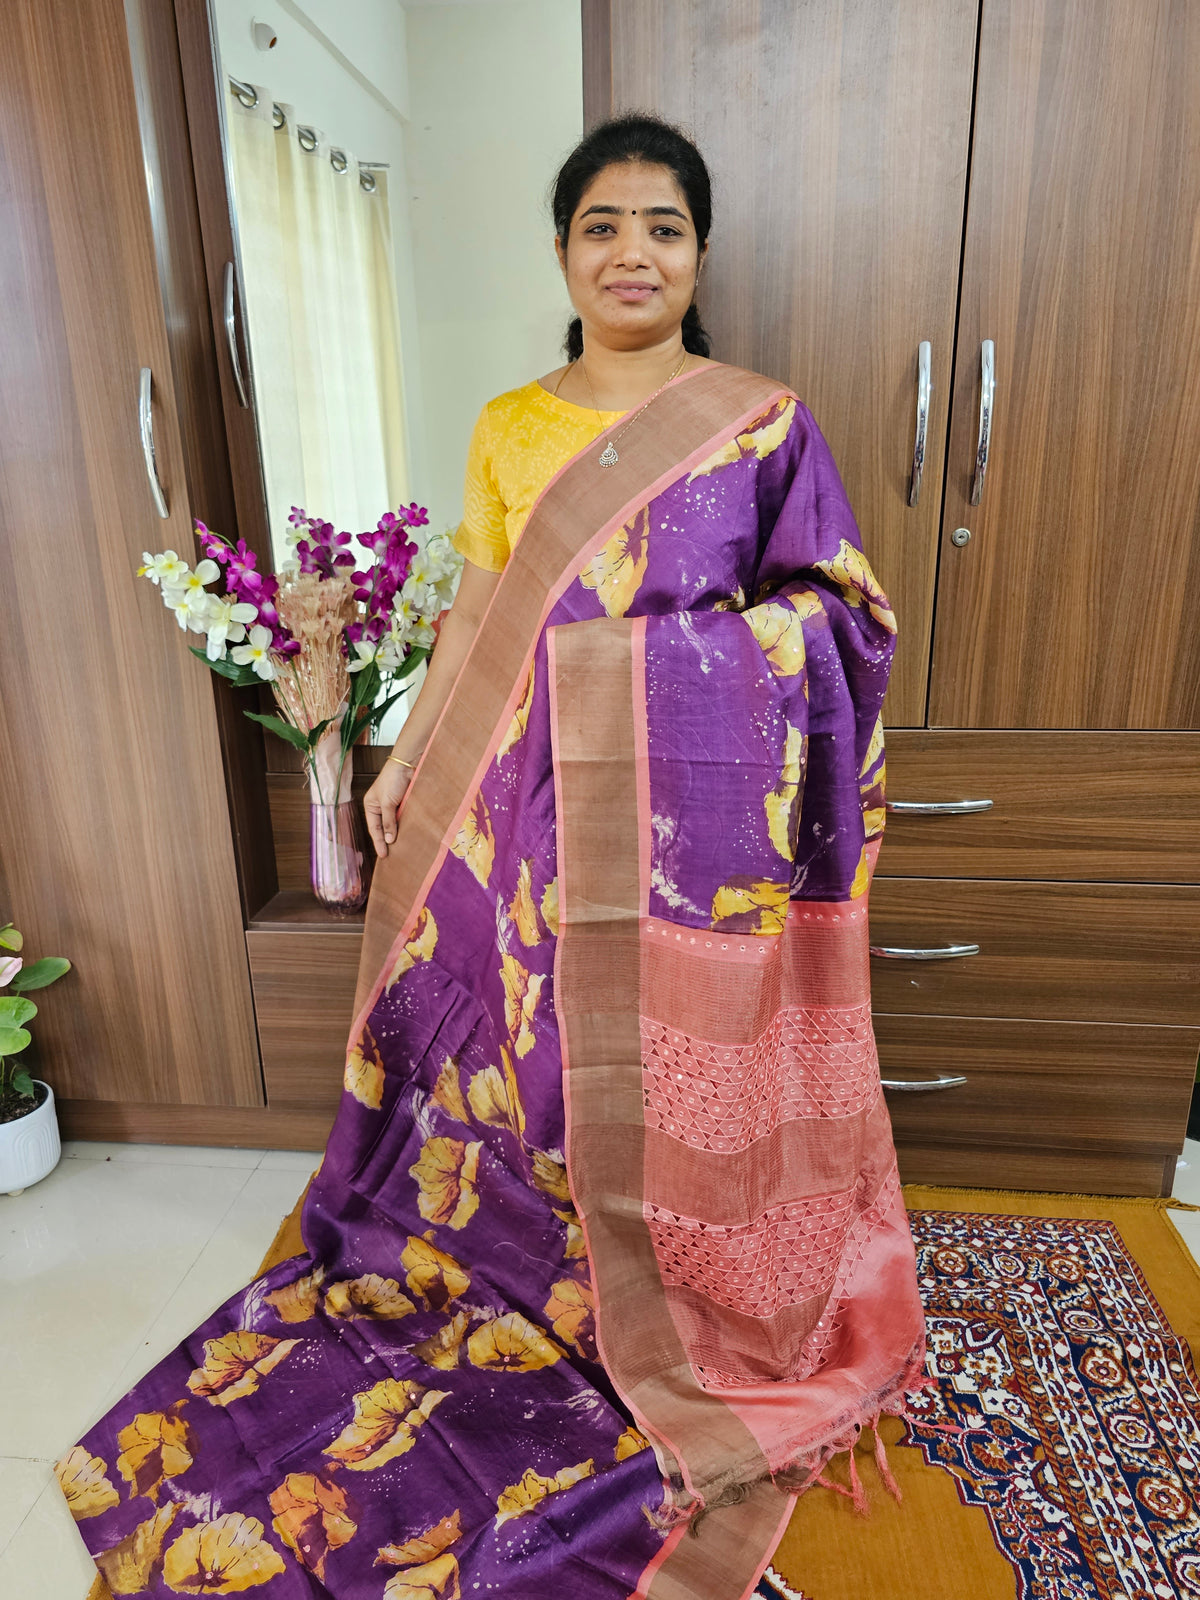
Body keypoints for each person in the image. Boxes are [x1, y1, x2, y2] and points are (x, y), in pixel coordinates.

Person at [61, 115, 927, 1600]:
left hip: (684, 844)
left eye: (663, 225)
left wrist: (662, 673)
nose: (633, 251)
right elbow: (478, 617)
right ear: (563, 251)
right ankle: (555, 1272)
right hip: (529, 812)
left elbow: (840, 616)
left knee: (655, 1070)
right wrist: (406, 762)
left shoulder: (764, 421)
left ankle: (668, 1302)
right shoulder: (511, 424)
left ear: (698, 252)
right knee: (526, 1067)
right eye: (604, 225)